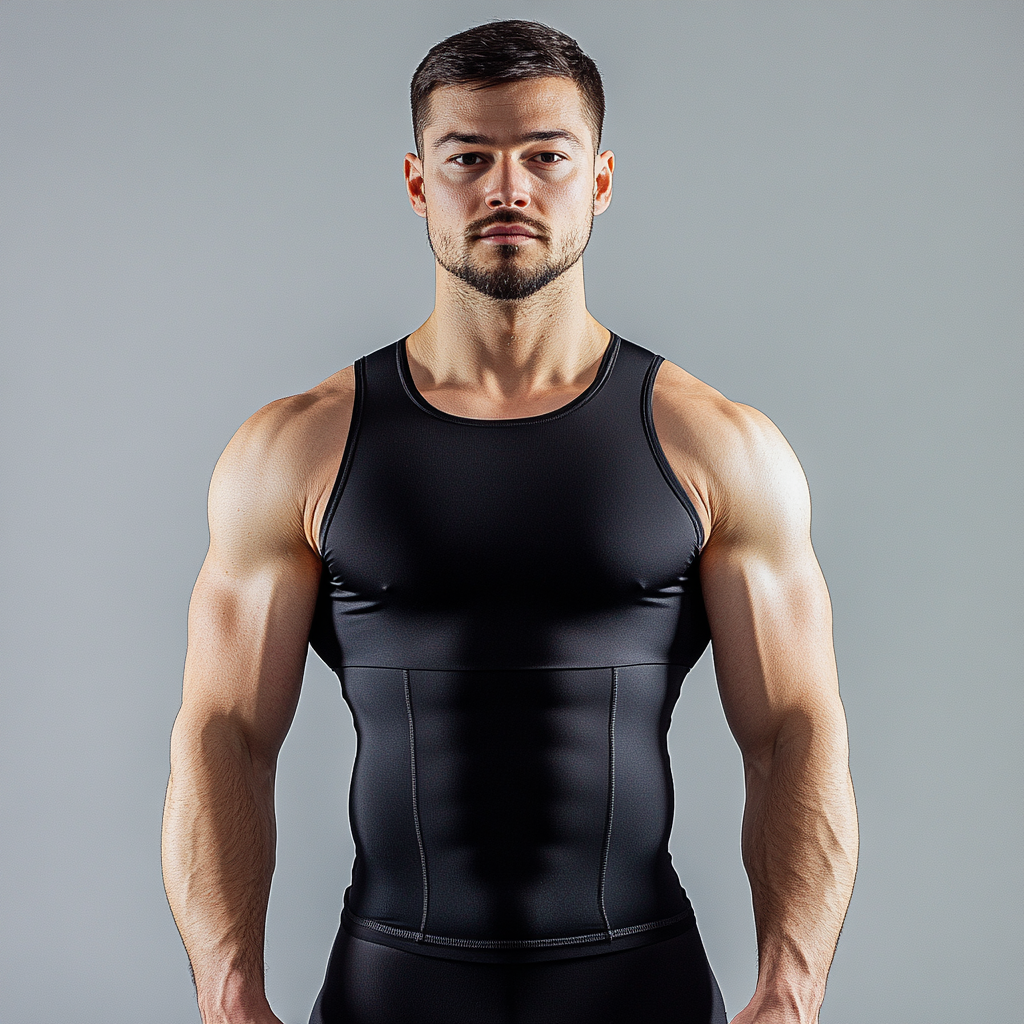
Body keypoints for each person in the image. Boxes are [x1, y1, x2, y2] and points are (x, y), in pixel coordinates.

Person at [161, 20, 858, 1024]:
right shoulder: (298, 450)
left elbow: (795, 729)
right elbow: (223, 732)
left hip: (638, 987)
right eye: (468, 159)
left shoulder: (715, 447)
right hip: (393, 990)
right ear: (417, 183)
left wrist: (790, 991)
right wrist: (228, 996)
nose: (508, 189)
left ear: (600, 180)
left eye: (544, 157)